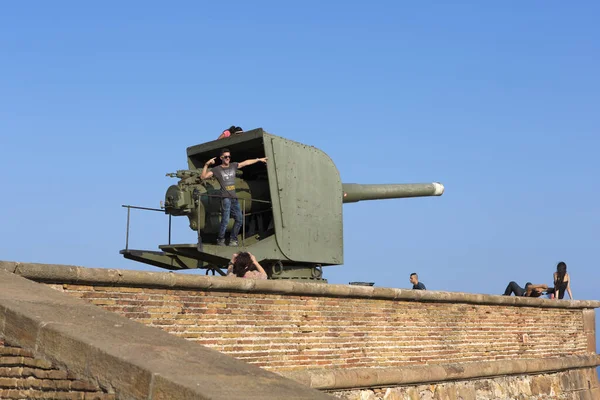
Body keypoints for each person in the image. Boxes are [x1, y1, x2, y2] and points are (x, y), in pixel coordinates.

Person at [200, 148, 267, 246]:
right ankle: (220, 239)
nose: (228, 158)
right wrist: (206, 164)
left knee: (239, 219)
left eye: (229, 157)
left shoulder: (233, 166)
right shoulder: (217, 169)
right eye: (226, 157)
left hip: (234, 198)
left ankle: (233, 239)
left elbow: (245, 163)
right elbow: (203, 177)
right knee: (225, 220)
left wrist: (258, 159)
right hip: (225, 198)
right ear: (221, 158)